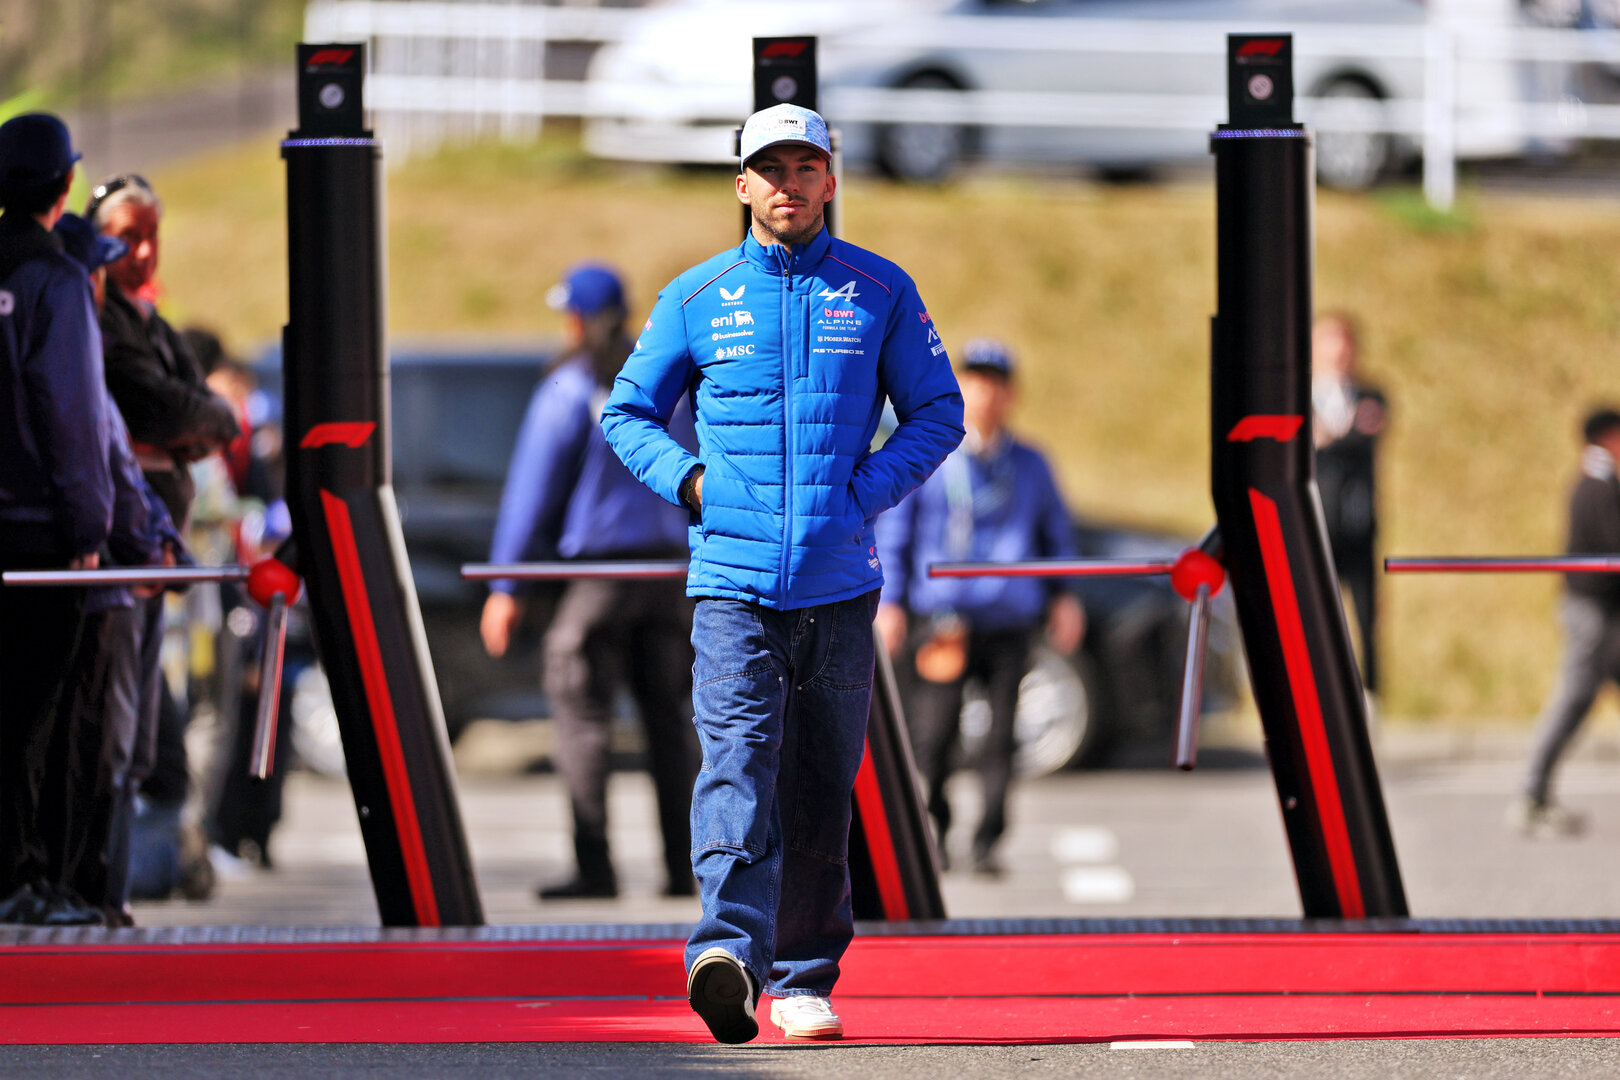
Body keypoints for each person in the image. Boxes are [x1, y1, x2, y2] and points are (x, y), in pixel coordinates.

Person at [601, 103, 963, 1044]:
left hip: (841, 588)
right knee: (735, 768)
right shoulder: (697, 294)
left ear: (830, 181)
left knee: (816, 785)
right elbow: (627, 412)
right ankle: (725, 952)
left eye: (807, 166)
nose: (790, 183)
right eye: (771, 167)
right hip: (730, 586)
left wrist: (865, 492)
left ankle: (802, 978)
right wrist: (688, 479)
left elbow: (939, 412)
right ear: (742, 185)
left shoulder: (880, 289)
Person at [480, 262, 699, 901]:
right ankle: (682, 868)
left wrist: (506, 586)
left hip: (599, 577)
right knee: (672, 721)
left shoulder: (569, 388)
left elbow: (531, 493)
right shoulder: (671, 383)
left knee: (581, 717)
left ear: (581, 319)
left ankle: (595, 863)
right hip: (669, 574)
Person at [87, 172, 239, 916]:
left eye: (152, 236)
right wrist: (185, 427)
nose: (142, 252)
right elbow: (161, 405)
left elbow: (205, 409)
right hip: (114, 557)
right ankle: (92, 886)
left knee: (144, 738)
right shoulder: (96, 321)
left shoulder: (149, 324)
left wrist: (192, 425)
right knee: (115, 737)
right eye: (127, 235)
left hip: (157, 559)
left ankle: (110, 888)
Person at [874, 339, 1083, 876]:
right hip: (942, 620)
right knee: (936, 734)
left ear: (1010, 395)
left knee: (1000, 737)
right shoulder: (931, 453)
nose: (985, 394)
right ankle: (936, 826)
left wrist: (1064, 597)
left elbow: (1054, 533)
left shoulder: (1031, 464)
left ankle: (988, 838)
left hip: (1007, 616)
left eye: (995, 384)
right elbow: (897, 532)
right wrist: (891, 602)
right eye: (974, 381)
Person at [49, 212, 185, 926]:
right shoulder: (76, 349)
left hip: (103, 568)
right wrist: (145, 541)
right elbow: (105, 464)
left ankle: (87, 888)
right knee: (100, 743)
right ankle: (88, 890)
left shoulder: (94, 339)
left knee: (100, 743)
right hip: (96, 579)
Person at [0, 113, 114, 925]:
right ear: (66, 186)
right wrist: (89, 526)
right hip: (37, 530)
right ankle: (21, 879)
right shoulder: (55, 277)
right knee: (30, 717)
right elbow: (70, 414)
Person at [1509, 408, 1620, 837]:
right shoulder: (1596, 486)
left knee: (1576, 699)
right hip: (1591, 611)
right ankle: (1530, 794)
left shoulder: (1598, 482)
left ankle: (1533, 794)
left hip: (1601, 612)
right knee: (1572, 698)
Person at [1311, 311, 1388, 697]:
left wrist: (1326, 438)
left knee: (1366, 622)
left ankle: (1369, 698)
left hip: (1359, 524)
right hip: (1315, 525)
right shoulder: (1296, 395)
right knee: (1317, 619)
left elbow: (1363, 440)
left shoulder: (1371, 394)